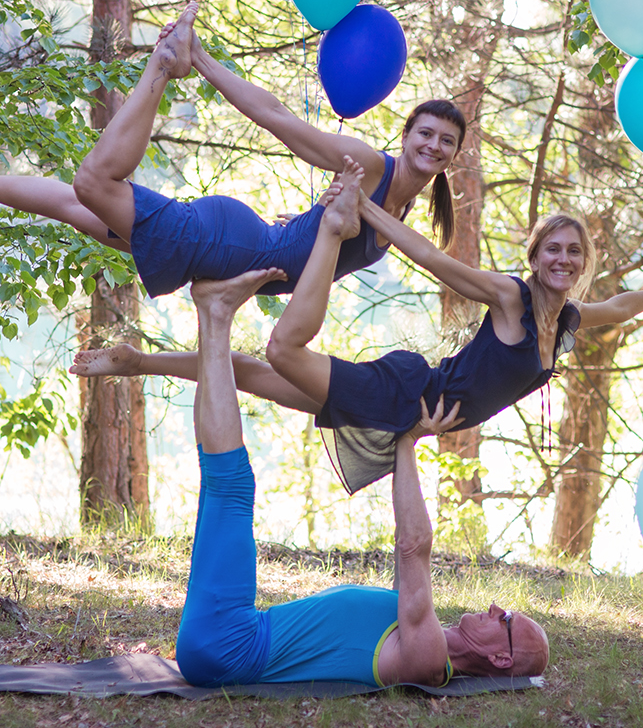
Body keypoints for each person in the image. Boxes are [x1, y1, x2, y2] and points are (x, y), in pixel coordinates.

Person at [75, 164, 643, 490]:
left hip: (411, 414)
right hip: (404, 394)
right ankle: (300, 251)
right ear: (535, 257)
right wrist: (363, 208)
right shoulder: (511, 296)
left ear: (583, 263)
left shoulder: (564, 320)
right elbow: (432, 259)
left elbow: (618, 309)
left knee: (257, 378)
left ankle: (138, 360)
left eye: (574, 253)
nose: (563, 261)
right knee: (283, 351)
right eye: (552, 250)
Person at [0, 4, 468, 297]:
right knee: (93, 184)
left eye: (446, 142)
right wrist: (204, 64)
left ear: (454, 155)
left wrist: (310, 224)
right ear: (405, 135)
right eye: (425, 134)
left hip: (239, 246)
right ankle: (161, 69)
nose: (433, 146)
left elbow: (325, 250)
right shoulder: (371, 166)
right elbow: (281, 121)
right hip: (234, 245)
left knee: (74, 206)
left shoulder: (405, 206)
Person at [174, 266, 549, 689]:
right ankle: (211, 316)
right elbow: (405, 556)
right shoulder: (420, 626)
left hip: (231, 646)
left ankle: (216, 314)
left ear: (500, 658)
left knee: (232, 487)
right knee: (219, 482)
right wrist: (406, 439)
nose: (499, 608)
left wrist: (407, 439)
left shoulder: (428, 657)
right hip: (227, 640)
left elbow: (413, 545)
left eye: (509, 621)